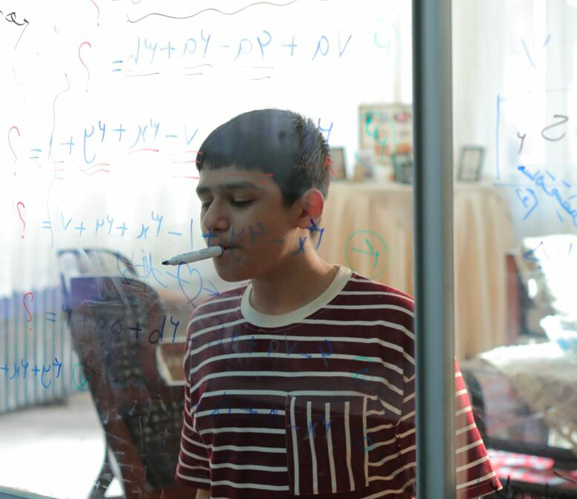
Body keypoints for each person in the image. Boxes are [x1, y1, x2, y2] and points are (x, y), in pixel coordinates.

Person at [173, 109, 501, 499]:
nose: (212, 220)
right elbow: (207, 484)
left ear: (306, 209)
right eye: (206, 201)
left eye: (239, 200)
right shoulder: (206, 328)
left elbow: (461, 488)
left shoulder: (397, 327)